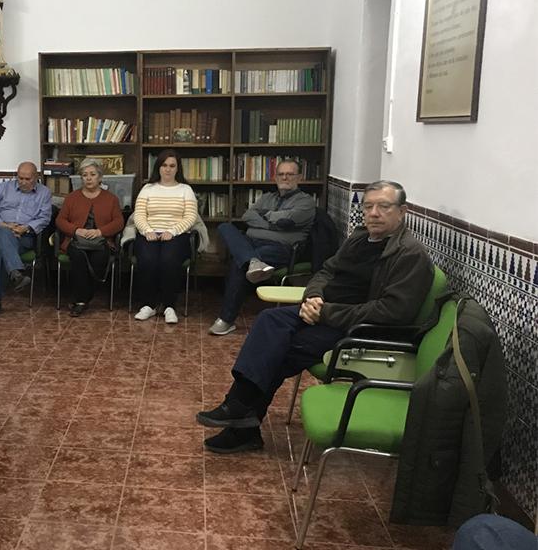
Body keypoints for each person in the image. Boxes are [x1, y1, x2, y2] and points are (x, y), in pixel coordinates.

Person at [197, 180, 434, 453]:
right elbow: (326, 270)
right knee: (267, 321)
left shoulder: (409, 254)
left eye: (384, 206)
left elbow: (392, 312)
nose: (374, 213)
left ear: (402, 211)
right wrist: (313, 297)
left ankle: (240, 416)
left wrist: (326, 312)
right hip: (323, 310)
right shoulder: (360, 237)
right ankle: (240, 413)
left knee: (280, 350)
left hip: (354, 328)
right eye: (369, 206)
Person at [209, 159, 315, 335]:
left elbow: (287, 221)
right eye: (281, 174)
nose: (285, 178)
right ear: (275, 177)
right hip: (251, 243)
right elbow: (247, 216)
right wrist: (273, 222)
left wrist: (265, 217)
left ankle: (226, 319)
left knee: (239, 263)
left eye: (290, 174)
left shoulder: (306, 202)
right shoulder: (267, 197)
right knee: (225, 227)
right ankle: (252, 261)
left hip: (280, 248)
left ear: (299, 177)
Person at [132, 149, 198, 325]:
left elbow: (191, 217)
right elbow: (138, 215)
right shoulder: (147, 189)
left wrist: (173, 231)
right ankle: (149, 305)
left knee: (168, 260)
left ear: (177, 169)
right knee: (147, 259)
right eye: (164, 165)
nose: (168, 169)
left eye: (172, 166)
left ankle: (169, 306)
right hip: (149, 233)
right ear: (158, 167)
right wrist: (147, 230)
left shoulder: (186, 190)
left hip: (177, 235)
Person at [0, 161, 52, 318]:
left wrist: (26, 228)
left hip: (24, 235)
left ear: (36, 177)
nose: (23, 182)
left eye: (27, 179)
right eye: (20, 178)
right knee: (5, 233)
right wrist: (4, 224)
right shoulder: (4, 187)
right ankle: (16, 272)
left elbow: (44, 218)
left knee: (3, 252)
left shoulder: (44, 193)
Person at [55, 158, 125, 317]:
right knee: (78, 257)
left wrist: (100, 231)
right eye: (84, 175)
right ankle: (81, 301)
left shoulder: (111, 198)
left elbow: (119, 222)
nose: (88, 178)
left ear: (100, 177)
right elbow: (60, 220)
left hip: (102, 241)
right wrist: (76, 230)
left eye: (92, 174)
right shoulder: (72, 198)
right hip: (76, 241)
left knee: (99, 258)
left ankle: (83, 298)